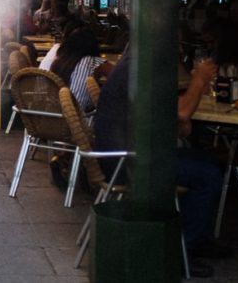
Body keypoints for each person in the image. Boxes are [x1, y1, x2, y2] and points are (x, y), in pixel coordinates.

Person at [94, 53, 230, 278]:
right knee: (208, 174)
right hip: (127, 164)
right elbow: (182, 111)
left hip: (128, 155)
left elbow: (159, 112)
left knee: (209, 160)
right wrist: (199, 80)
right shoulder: (141, 69)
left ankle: (198, 236)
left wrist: (178, 121)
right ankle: (182, 248)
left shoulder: (134, 65)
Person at [47, 26, 111, 113]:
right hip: (81, 120)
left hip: (55, 116)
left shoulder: (60, 61)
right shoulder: (93, 62)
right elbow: (119, 76)